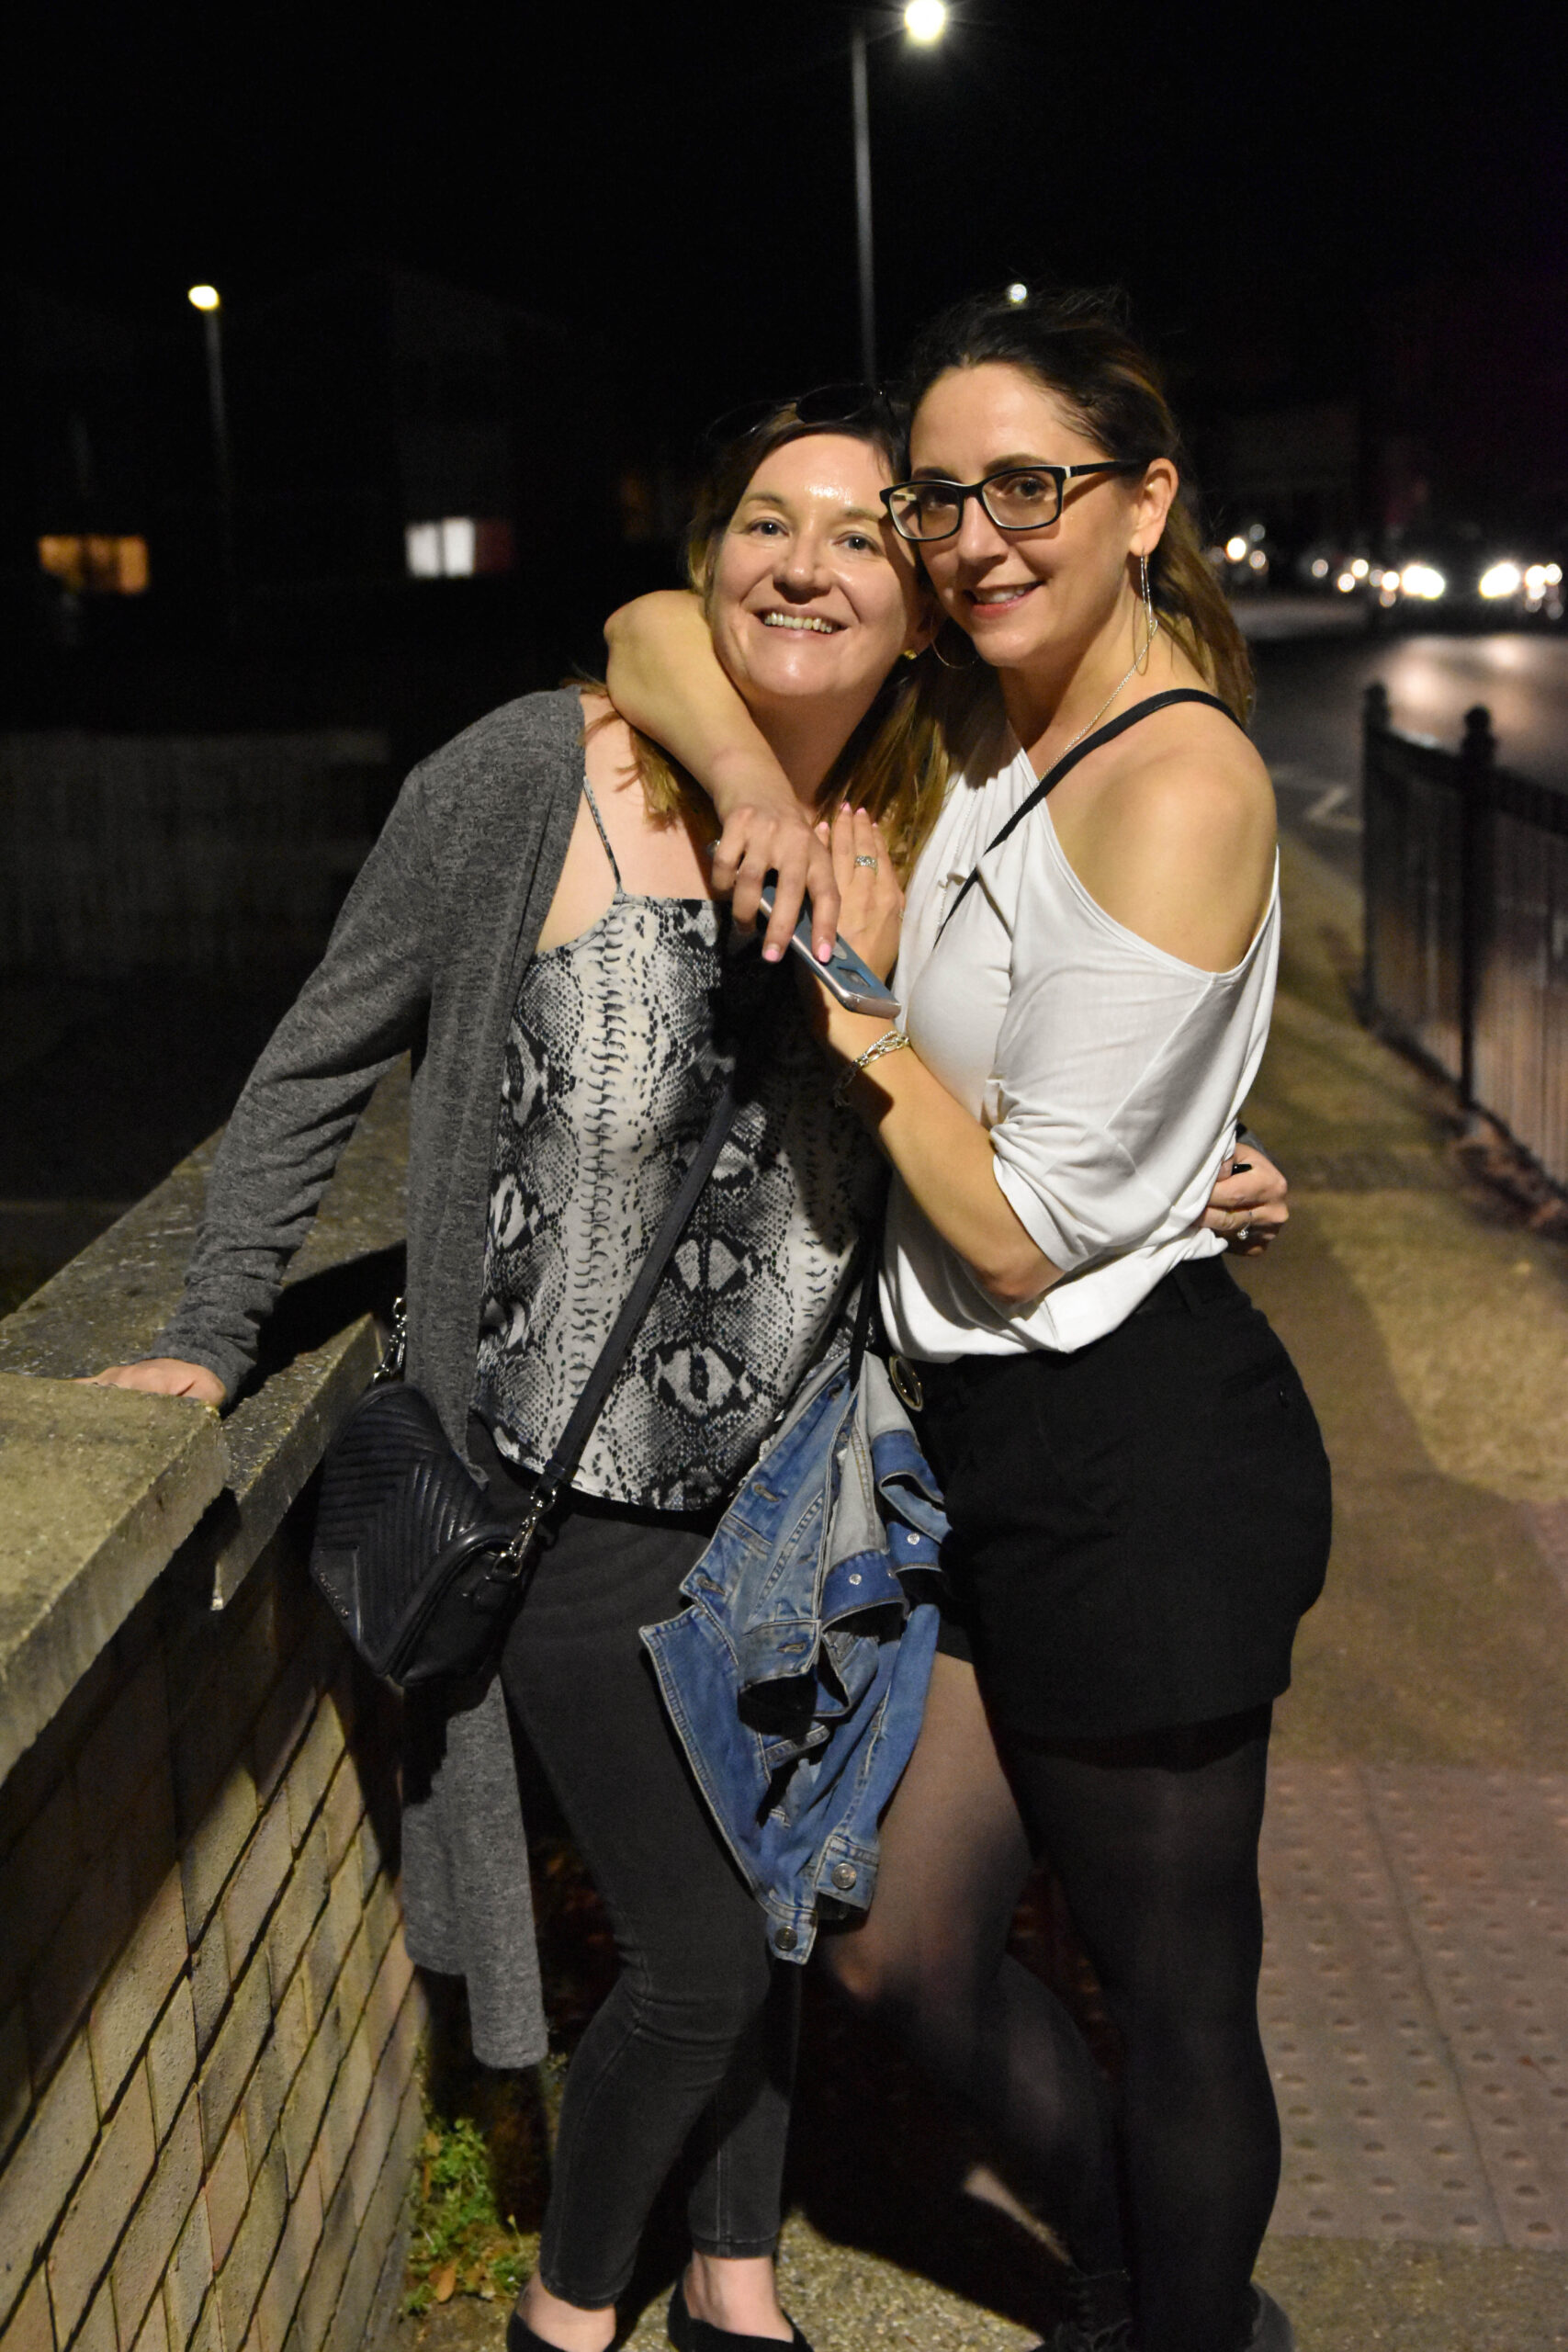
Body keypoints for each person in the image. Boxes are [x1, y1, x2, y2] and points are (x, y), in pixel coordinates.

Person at [94, 377, 1287, 2352]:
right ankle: (566, 2317)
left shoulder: (927, 802)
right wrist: (209, 1336)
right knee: (706, 1949)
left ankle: (735, 2282)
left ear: (916, 598)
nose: (804, 566)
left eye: (859, 535)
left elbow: (1057, 1057)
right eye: (763, 525)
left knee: (793, 1909)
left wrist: (1175, 1178)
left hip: (804, 1506)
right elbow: (313, 1060)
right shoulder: (528, 776)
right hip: (564, 1504)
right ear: (707, 555)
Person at [604, 287, 1330, 2352]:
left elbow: (1016, 1240)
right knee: (899, 1949)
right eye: (939, 497)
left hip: (1137, 1456)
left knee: (1173, 1987)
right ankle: (1136, 2277)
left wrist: (841, 998)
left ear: (1144, 500)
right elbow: (652, 628)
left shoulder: (1173, 776)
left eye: (1029, 486)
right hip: (981, 1447)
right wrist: (751, 787)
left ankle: (1184, 2320)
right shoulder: (994, 725)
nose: (972, 536)